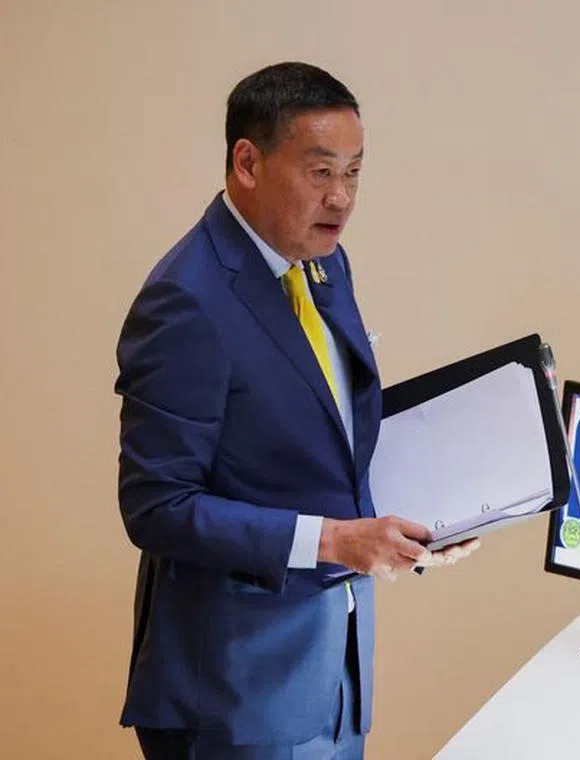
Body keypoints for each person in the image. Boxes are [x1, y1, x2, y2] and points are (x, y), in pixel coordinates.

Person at [114, 61, 476, 760]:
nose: (342, 197)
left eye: (355, 172)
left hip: (334, 675)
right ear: (247, 162)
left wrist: (426, 518)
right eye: (319, 172)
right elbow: (156, 506)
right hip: (233, 694)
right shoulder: (185, 300)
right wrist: (335, 542)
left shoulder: (322, 263)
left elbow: (329, 439)